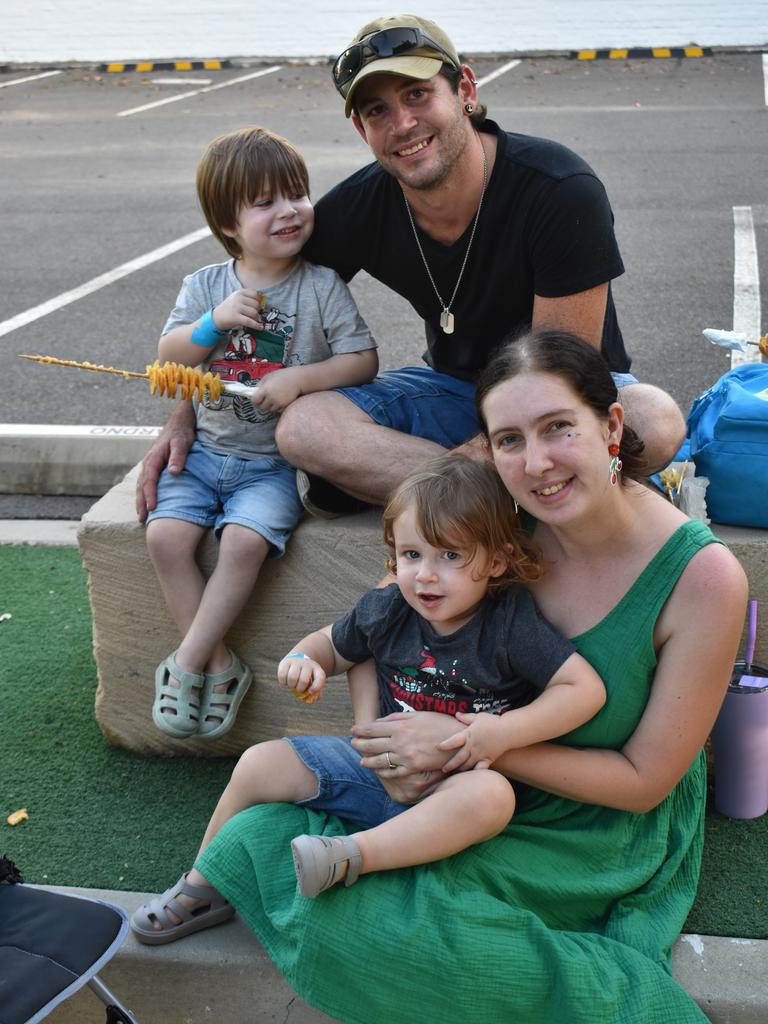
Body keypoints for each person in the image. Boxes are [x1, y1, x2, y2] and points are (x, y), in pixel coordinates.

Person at [189, 330, 747, 1022]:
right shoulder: (491, 519)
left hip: (589, 828)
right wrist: (379, 736)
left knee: (369, 929)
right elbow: (376, 628)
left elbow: (642, 784)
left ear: (611, 425)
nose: (537, 462)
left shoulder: (704, 577)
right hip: (454, 790)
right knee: (251, 836)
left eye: (557, 428)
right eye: (509, 439)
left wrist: (466, 739)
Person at [135, 14, 685, 522]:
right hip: (452, 390)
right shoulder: (358, 210)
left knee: (654, 420)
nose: (401, 123)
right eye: (377, 111)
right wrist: (184, 413)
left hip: (566, 398)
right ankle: (520, 504)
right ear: (361, 130)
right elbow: (262, 297)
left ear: (465, 90)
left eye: (417, 94)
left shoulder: (560, 191)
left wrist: (470, 459)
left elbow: (561, 374)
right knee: (305, 429)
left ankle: (455, 503)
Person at [130, 453, 605, 937]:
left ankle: (351, 857)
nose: (425, 575)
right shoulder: (389, 607)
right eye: (412, 554)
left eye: (452, 556)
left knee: (494, 796)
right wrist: (303, 660)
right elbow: (333, 646)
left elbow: (583, 690)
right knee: (257, 763)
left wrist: (501, 734)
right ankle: (202, 886)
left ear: (497, 560)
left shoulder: (508, 624)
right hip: (372, 771)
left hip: (452, 784)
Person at [146, 126, 377, 740]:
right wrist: (211, 327)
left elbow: (363, 360)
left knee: (246, 544)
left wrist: (301, 379)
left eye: (297, 193)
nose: (290, 210)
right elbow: (168, 354)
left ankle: (188, 661)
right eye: (265, 202)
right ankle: (220, 663)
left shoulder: (321, 285)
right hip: (203, 453)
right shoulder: (205, 287)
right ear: (227, 224)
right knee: (167, 538)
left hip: (271, 464)